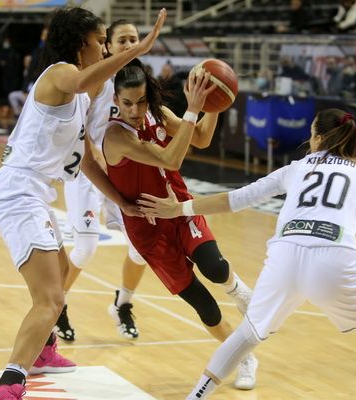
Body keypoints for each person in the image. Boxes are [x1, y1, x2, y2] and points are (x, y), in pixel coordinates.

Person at [137, 108, 356, 400]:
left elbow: (235, 199)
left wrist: (179, 208)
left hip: (284, 258)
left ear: (318, 137)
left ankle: (196, 396)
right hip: (334, 260)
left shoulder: (296, 168)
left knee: (247, 334)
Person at [0, 7, 167, 400]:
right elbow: (84, 78)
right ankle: (8, 386)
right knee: (50, 299)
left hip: (36, 192)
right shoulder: (60, 74)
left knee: (63, 273)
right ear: (81, 43)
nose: (105, 48)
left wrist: (120, 201)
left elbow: (87, 160)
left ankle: (42, 350)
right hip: (18, 190)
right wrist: (138, 49)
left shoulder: (81, 99)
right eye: (101, 41)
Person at [101, 59, 258, 390]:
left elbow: (200, 138)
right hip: (148, 231)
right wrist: (193, 108)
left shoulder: (156, 115)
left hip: (178, 207)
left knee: (215, 267)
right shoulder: (115, 136)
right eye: (127, 103)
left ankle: (239, 291)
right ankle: (244, 357)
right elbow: (170, 158)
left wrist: (213, 104)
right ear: (116, 100)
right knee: (206, 307)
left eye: (141, 101)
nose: (135, 110)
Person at [57, 19, 148, 343]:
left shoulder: (140, 83)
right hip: (88, 173)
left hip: (122, 174)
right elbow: (76, 126)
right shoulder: (98, 79)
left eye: (134, 39)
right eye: (122, 40)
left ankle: (122, 304)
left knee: (142, 248)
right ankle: (56, 306)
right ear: (108, 46)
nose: (129, 44)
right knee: (85, 249)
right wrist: (94, 152)